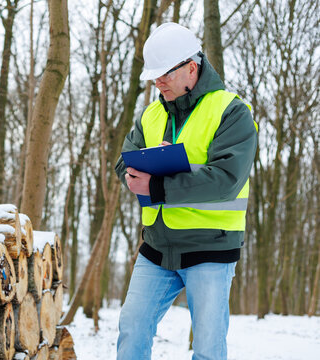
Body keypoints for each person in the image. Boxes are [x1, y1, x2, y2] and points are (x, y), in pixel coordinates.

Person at [114, 23, 258, 360]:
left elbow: (226, 178)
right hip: (156, 247)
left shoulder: (232, 111)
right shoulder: (150, 114)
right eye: (154, 75)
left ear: (191, 68)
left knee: (208, 349)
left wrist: (159, 182)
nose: (157, 81)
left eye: (164, 73)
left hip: (210, 249)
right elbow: (125, 162)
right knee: (132, 330)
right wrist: (135, 175)